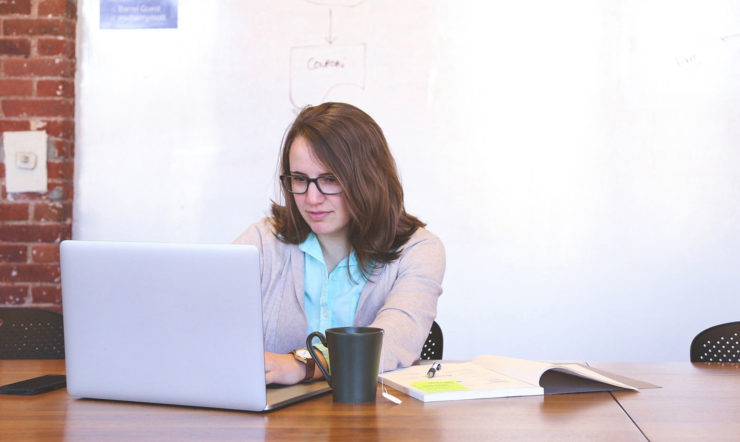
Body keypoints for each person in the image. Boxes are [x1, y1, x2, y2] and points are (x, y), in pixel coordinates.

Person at [234, 102, 445, 385]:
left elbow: (394, 338)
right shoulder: (263, 241)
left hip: (379, 421)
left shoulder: (419, 251)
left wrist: (303, 365)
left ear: (368, 179)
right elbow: (205, 316)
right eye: (299, 179)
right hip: (276, 425)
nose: (311, 199)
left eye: (330, 179)